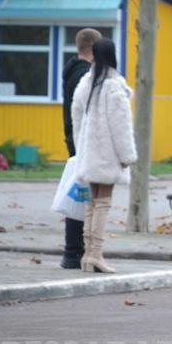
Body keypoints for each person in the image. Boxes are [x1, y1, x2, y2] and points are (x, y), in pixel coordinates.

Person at [70, 36, 135, 276]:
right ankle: (96, 255)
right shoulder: (114, 85)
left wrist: (81, 147)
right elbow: (121, 124)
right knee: (104, 203)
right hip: (107, 153)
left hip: (89, 152)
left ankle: (89, 255)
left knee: (91, 204)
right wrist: (126, 155)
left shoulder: (86, 82)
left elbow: (76, 115)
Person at [59, 27, 101, 269]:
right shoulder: (83, 75)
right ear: (94, 49)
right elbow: (83, 114)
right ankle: (73, 251)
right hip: (81, 143)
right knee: (82, 198)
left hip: (76, 141)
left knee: (82, 196)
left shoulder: (72, 70)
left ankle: (76, 250)